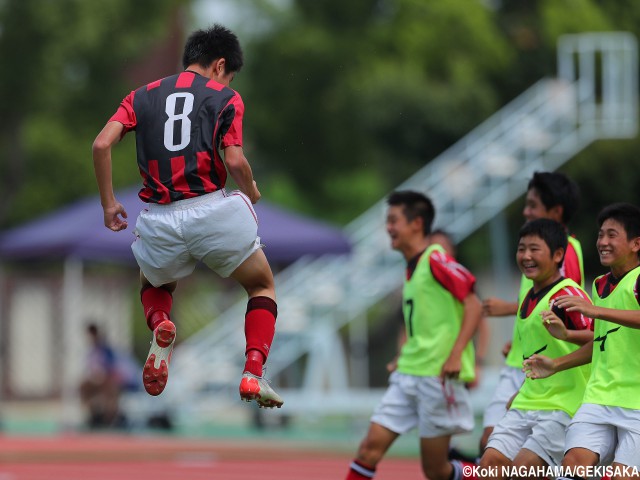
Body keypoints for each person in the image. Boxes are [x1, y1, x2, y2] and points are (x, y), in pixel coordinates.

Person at [91, 25, 283, 408]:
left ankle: (160, 323)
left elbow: (101, 144)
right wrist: (251, 189)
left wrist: (109, 203)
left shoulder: (140, 96)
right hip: (211, 210)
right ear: (220, 65)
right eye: (228, 75)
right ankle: (252, 373)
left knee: (153, 283)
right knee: (261, 286)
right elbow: (234, 160)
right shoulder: (226, 97)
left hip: (160, 218)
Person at [345, 190, 483, 480]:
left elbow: (473, 303)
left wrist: (457, 353)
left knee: (436, 471)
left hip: (437, 378)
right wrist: (404, 355)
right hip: (409, 374)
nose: (389, 228)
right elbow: (425, 324)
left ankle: (495, 474)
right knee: (368, 449)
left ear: (417, 223)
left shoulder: (436, 259)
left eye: (394, 220)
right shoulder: (413, 267)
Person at [524, 203, 640, 479]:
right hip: (599, 397)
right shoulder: (600, 284)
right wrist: (556, 363)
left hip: (636, 402)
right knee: (573, 465)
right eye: (600, 235)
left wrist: (595, 311)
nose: (602, 242)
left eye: (612, 235)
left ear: (636, 243)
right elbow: (603, 343)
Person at [478, 218, 593, 478]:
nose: (526, 256)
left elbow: (601, 341)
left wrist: (567, 336)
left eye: (534, 249)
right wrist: (519, 391)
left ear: (558, 255)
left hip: (563, 404)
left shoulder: (566, 295)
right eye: (521, 249)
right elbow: (535, 357)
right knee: (490, 464)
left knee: (522, 470)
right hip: (528, 400)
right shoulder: (527, 299)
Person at [480, 171, 583, 451]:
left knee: (511, 452)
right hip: (525, 362)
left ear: (556, 211)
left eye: (533, 205)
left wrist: (506, 309)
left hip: (548, 372)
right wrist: (521, 339)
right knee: (492, 448)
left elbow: (561, 300)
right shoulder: (532, 250)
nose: (526, 211)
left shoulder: (565, 251)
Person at [79, 323, 122, 428]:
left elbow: (112, 366)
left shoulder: (106, 350)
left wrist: (104, 375)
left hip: (106, 378)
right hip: (94, 379)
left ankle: (109, 418)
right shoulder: (90, 351)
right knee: (83, 387)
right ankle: (93, 416)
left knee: (109, 388)